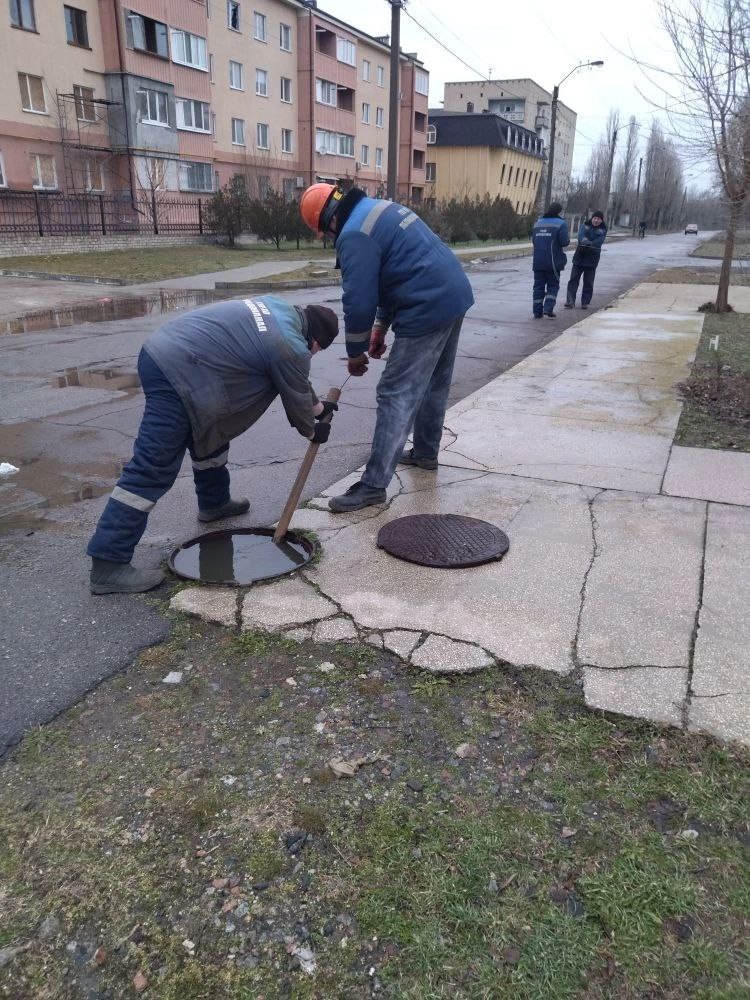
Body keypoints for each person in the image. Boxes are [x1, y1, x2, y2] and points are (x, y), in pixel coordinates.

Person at [86, 296, 339, 594]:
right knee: (153, 466)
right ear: (316, 343)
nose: (313, 354)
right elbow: (296, 393)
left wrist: (320, 409)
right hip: (178, 370)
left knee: (213, 432)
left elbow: (295, 381)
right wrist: (313, 430)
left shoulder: (280, 310)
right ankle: (108, 564)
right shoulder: (292, 346)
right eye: (317, 350)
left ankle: (214, 503)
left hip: (172, 353)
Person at [299, 183, 474, 513]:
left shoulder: (353, 234)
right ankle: (424, 453)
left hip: (427, 304)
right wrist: (381, 326)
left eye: (324, 233)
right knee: (434, 383)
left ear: (327, 222)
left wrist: (355, 351)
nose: (328, 239)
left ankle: (373, 485)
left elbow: (359, 298)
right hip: (453, 293)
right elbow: (396, 272)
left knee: (394, 392)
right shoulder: (377, 209)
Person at [531, 202, 570, 319]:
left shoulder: (537, 223)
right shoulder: (561, 224)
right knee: (553, 285)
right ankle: (548, 308)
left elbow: (534, 241)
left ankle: (537, 312)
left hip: (537, 261)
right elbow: (565, 242)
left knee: (538, 287)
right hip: (553, 262)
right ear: (559, 212)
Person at [565, 210, 607, 310]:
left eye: (598, 219)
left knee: (588, 282)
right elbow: (580, 236)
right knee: (573, 280)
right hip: (579, 258)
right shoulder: (584, 226)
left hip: (592, 260)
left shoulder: (603, 230)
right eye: (595, 218)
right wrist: (587, 243)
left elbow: (598, 242)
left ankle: (585, 302)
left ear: (601, 220)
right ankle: (570, 301)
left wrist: (587, 244)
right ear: (592, 218)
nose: (596, 220)